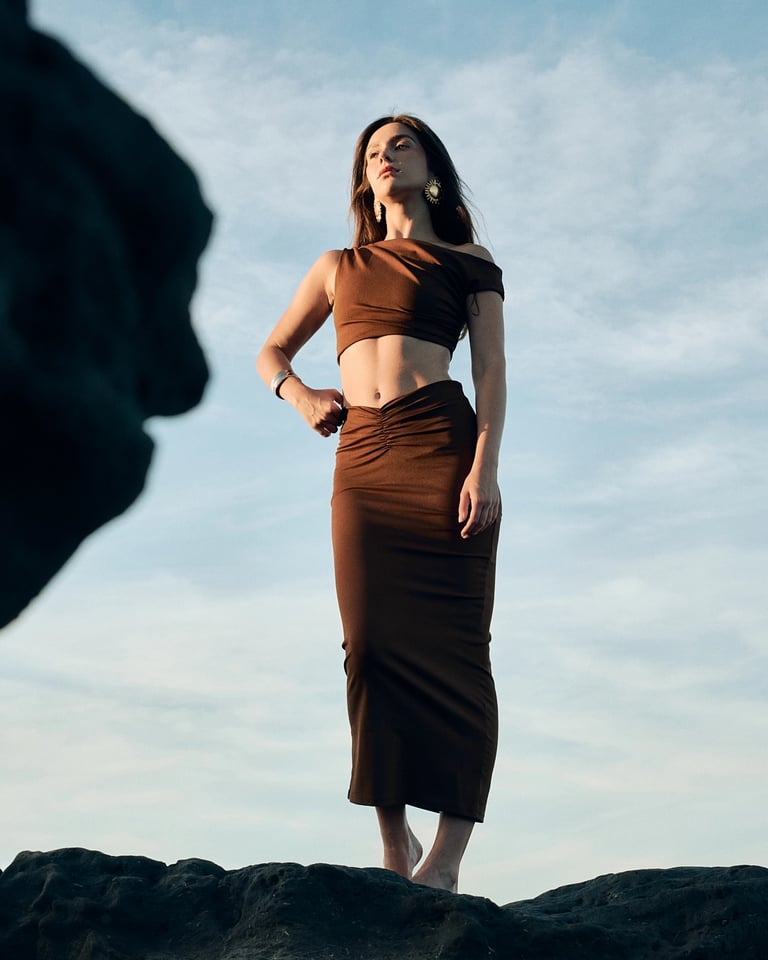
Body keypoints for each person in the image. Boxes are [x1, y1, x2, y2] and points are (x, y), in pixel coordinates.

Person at [256, 114, 506, 894]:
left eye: (400, 145)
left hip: (441, 447)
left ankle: (448, 859)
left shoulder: (468, 261)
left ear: (431, 168)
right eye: (372, 152)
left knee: (460, 647)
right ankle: (394, 847)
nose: (385, 157)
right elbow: (271, 351)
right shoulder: (338, 265)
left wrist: (483, 469)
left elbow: (494, 371)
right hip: (361, 459)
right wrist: (299, 396)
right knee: (369, 648)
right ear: (363, 179)